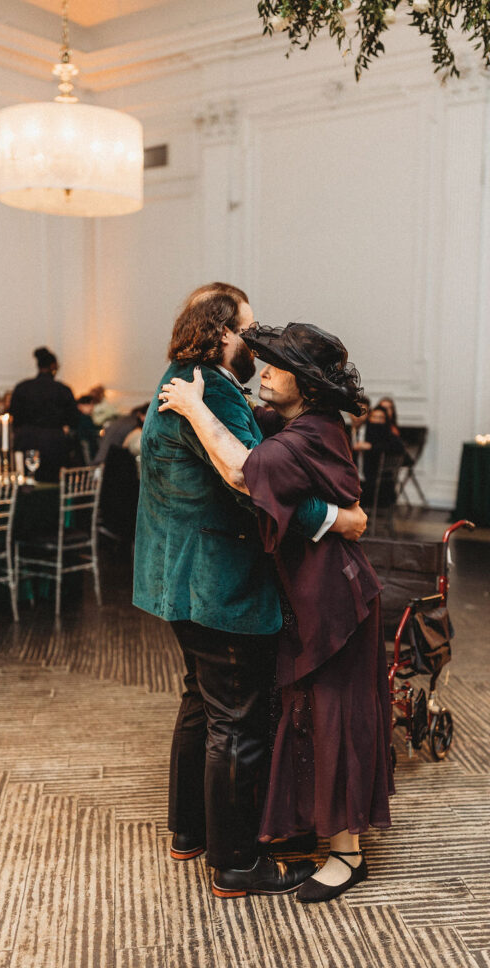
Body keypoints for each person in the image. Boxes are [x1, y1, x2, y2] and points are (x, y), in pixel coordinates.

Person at [133, 284, 366, 899]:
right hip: (217, 581)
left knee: (201, 704)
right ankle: (237, 864)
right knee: (236, 719)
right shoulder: (211, 391)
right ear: (221, 332)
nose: (255, 347)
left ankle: (191, 832)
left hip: (170, 575)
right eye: (249, 329)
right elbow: (252, 480)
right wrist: (339, 519)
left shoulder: (179, 378)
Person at [10, 347, 79, 483]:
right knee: (51, 484)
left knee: (27, 484)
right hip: (54, 445)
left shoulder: (23, 387)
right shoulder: (63, 390)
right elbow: (73, 419)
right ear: (53, 366)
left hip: (27, 442)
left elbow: (15, 417)